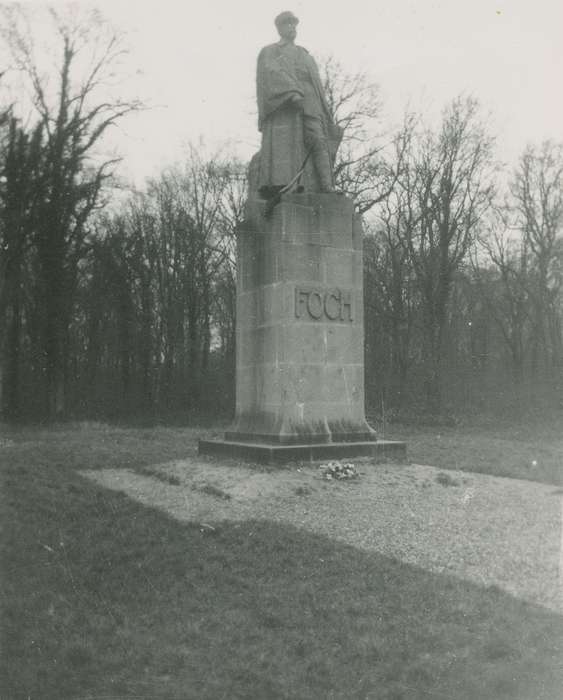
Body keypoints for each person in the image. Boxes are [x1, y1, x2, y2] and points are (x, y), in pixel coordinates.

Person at [255, 11, 342, 197]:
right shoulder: (271, 50)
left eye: (294, 24)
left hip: (311, 103)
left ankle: (327, 186)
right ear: (279, 28)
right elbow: (270, 72)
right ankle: (287, 186)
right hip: (287, 106)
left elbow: (317, 84)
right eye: (288, 24)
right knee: (289, 145)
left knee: (319, 142)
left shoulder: (305, 54)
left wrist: (325, 112)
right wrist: (291, 91)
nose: (292, 28)